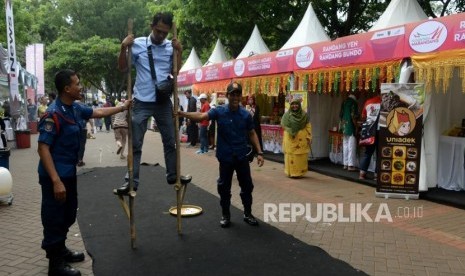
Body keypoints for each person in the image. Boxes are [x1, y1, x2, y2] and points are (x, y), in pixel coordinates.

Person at [37, 69, 131, 276]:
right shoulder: (53, 114)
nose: (80, 87)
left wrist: (122, 107)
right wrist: (55, 181)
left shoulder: (75, 108)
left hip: (68, 173)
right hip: (54, 176)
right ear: (66, 88)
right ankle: (55, 265)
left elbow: (98, 113)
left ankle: (61, 250)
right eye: (77, 84)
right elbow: (43, 148)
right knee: (54, 216)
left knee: (69, 213)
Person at [179, 82, 264, 228]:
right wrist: (182, 114)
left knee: (247, 186)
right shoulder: (219, 111)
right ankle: (226, 214)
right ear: (227, 95)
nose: (235, 97)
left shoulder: (245, 115)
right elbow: (201, 116)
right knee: (224, 187)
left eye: (238, 94)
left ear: (240, 96)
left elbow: (252, 133)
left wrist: (260, 152)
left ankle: (247, 213)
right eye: (232, 94)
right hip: (225, 157)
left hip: (241, 156)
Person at [115, 12, 182, 195]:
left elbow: (176, 72)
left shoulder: (170, 46)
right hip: (141, 101)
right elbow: (123, 68)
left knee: (170, 140)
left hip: (162, 102)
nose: (161, 36)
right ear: (151, 26)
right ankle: (131, 180)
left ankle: (172, 174)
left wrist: (179, 51)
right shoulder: (137, 44)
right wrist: (123, 48)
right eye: (159, 31)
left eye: (165, 33)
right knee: (136, 144)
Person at [281, 99, 312, 178]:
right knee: (290, 155)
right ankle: (290, 173)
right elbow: (283, 125)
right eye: (292, 104)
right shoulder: (286, 115)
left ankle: (299, 173)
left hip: (301, 140)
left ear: (299, 105)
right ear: (290, 105)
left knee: (300, 157)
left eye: (296, 104)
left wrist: (309, 137)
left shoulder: (304, 115)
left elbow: (308, 126)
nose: (294, 106)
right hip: (290, 139)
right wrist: (291, 130)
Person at [359, 94, 381, 180]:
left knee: (367, 153)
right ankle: (376, 175)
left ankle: (362, 174)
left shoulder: (368, 102)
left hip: (369, 131)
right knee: (379, 154)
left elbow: (363, 116)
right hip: (380, 131)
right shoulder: (385, 102)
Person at [339, 92, 359, 171]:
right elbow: (353, 116)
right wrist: (356, 126)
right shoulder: (354, 103)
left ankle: (345, 164)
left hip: (344, 126)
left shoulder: (344, 102)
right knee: (351, 146)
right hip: (351, 127)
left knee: (345, 145)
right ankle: (350, 165)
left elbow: (340, 115)